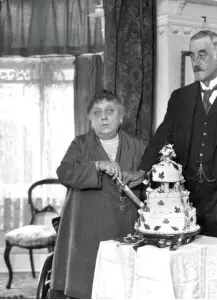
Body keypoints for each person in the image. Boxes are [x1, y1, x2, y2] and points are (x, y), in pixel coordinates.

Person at [131, 30, 217, 256]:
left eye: (202, 55)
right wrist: (142, 170)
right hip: (186, 201)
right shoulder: (180, 98)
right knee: (187, 266)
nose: (196, 62)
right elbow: (162, 137)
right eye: (192, 56)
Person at [49, 89, 146, 299]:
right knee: (86, 287)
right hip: (87, 232)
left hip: (126, 230)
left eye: (110, 110)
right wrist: (97, 166)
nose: (103, 116)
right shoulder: (80, 144)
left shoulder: (138, 146)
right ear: (90, 120)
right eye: (97, 112)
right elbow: (64, 173)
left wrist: (141, 176)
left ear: (121, 116)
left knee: (122, 288)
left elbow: (152, 178)